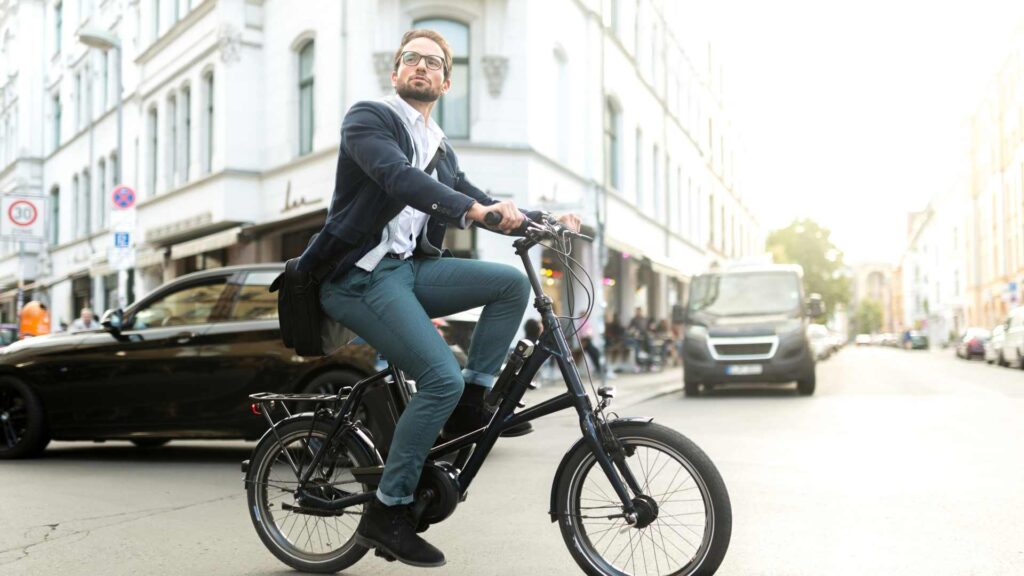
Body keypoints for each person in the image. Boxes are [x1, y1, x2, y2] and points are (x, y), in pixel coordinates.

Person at [295, 29, 581, 567]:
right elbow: (397, 178)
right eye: (411, 59)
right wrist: (472, 212)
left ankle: (473, 402)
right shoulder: (369, 119)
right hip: (358, 277)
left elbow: (480, 198)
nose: (421, 68)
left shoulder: (440, 146)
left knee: (510, 284)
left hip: (407, 271)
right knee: (438, 378)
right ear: (396, 71)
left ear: (447, 82)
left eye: (433, 63)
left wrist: (544, 218)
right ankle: (388, 511)